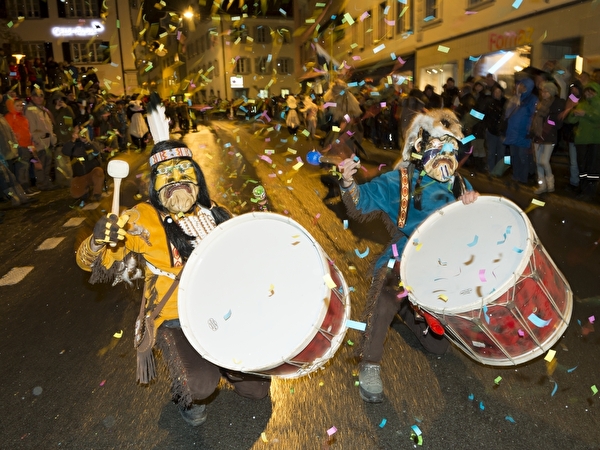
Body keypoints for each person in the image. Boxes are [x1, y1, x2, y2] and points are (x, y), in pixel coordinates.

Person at [74, 95, 270, 426]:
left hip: (221, 312)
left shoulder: (213, 210)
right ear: (154, 184)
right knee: (200, 386)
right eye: (167, 173)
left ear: (197, 178)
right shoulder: (140, 218)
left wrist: (261, 216)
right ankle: (191, 380)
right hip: (174, 316)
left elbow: (244, 250)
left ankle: (222, 362)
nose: (177, 178)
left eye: (184, 171)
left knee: (258, 390)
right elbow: (90, 262)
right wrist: (97, 240)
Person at [337, 108, 479, 403]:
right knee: (387, 294)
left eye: (453, 148)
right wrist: (348, 183)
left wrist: (472, 205)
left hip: (440, 265)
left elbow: (475, 231)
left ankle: (409, 312)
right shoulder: (397, 181)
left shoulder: (461, 185)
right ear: (420, 146)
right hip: (403, 255)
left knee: (439, 348)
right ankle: (370, 363)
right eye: (441, 146)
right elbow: (361, 202)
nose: (447, 154)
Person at [565, 82, 600, 201]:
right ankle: (583, 187)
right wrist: (574, 113)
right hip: (581, 140)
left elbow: (597, 118)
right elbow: (570, 120)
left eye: (592, 92)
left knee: (592, 167)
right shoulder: (582, 104)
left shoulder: (598, 104)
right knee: (582, 166)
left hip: (595, 140)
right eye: (587, 92)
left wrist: (586, 114)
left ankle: (590, 191)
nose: (589, 94)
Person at [531, 82, 565, 194]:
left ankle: (550, 184)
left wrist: (546, 122)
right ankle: (541, 185)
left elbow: (556, 121)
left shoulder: (556, 103)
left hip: (548, 136)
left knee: (544, 161)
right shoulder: (540, 104)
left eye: (546, 91)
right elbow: (535, 118)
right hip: (537, 134)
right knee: (538, 162)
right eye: (542, 91)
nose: (543, 93)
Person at [504, 76, 538, 184]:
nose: (520, 87)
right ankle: (516, 176)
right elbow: (507, 114)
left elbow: (533, 116)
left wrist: (529, 130)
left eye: (523, 85)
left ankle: (523, 178)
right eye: (520, 85)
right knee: (515, 156)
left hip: (523, 133)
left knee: (523, 157)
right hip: (512, 133)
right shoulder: (516, 98)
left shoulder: (532, 99)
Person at [61, 125, 105, 204]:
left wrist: (87, 142)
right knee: (75, 194)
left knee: (98, 171)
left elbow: (97, 151)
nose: (81, 135)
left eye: (83, 132)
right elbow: (65, 151)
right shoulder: (73, 145)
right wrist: (73, 139)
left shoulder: (91, 143)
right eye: (79, 133)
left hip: (92, 173)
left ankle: (96, 193)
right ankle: (85, 191)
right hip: (80, 175)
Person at [25, 88, 57, 190]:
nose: (39, 98)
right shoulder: (30, 111)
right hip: (39, 142)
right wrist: (37, 142)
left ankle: (46, 183)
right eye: (36, 96)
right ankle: (41, 184)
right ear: (32, 97)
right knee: (40, 165)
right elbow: (31, 129)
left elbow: (49, 126)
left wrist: (52, 138)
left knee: (47, 164)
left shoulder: (42, 110)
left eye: (41, 96)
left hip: (47, 141)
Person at [5, 97, 36, 193]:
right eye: (17, 106)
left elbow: (27, 131)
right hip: (19, 146)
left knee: (25, 168)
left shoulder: (22, 117)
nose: (20, 107)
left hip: (26, 146)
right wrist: (15, 146)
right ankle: (23, 189)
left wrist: (31, 144)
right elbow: (9, 133)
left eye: (21, 105)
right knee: (21, 168)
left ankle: (26, 187)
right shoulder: (10, 117)